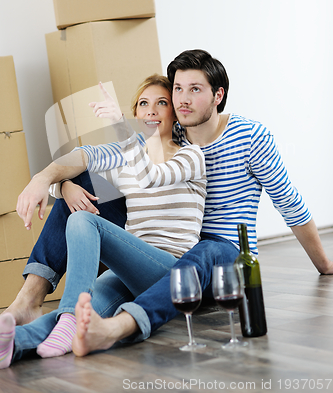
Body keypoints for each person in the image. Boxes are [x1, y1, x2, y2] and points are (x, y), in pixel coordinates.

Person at [5, 49, 333, 351]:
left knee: (209, 248)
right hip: (162, 256)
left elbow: (288, 201)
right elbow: (93, 156)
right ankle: (20, 330)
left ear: (218, 95)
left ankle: (119, 326)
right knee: (84, 184)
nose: (183, 99)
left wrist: (325, 266)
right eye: (177, 90)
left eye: (195, 89)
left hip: (222, 254)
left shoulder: (248, 137)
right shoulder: (167, 136)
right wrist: (53, 181)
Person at [0, 75, 206, 368]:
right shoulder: (126, 161)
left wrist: (121, 128)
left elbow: (152, 176)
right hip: (128, 269)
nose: (151, 111)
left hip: (169, 270)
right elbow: (82, 162)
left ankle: (68, 314)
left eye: (161, 103)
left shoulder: (191, 156)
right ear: (137, 114)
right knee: (80, 318)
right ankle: (13, 342)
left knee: (84, 221)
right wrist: (62, 186)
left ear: (173, 112)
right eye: (143, 104)